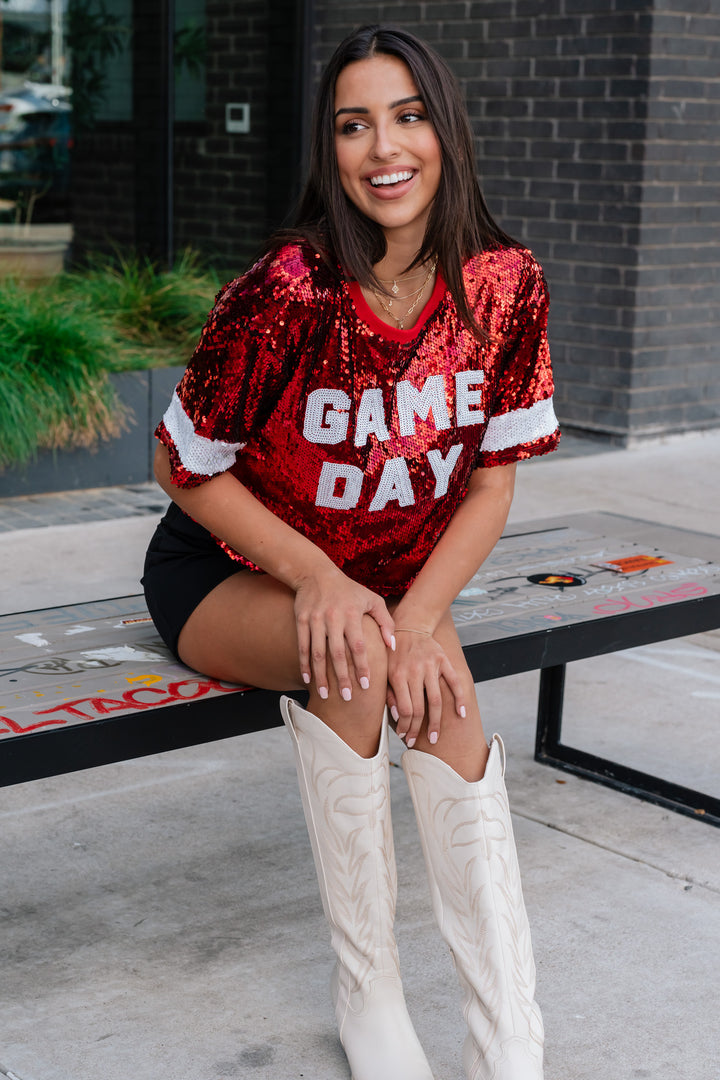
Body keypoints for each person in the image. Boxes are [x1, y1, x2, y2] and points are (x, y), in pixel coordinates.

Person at [143, 24, 559, 1080]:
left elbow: (491, 483)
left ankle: (511, 1041)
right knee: (357, 654)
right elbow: (184, 468)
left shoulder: (506, 285)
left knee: (446, 699)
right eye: (354, 123)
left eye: (409, 116)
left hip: (397, 575)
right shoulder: (288, 288)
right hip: (239, 566)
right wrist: (323, 578)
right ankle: (368, 997)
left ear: (446, 132)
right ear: (329, 151)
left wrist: (422, 611)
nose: (385, 146)